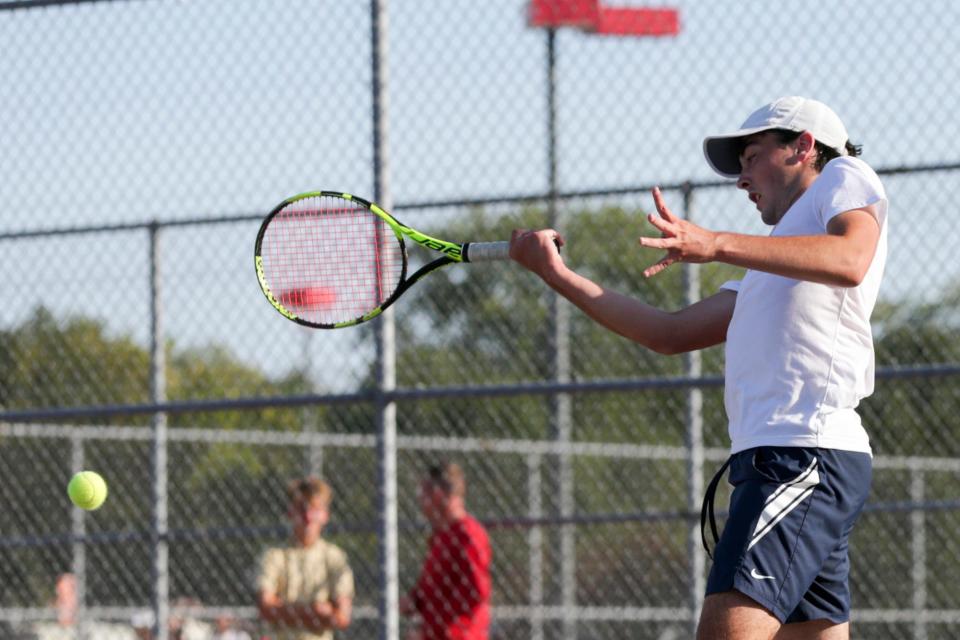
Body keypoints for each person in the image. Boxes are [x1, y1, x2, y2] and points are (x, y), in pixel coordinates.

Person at [509, 96, 888, 640]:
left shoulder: (844, 174)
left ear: (804, 148)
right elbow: (667, 333)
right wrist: (555, 274)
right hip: (791, 459)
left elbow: (851, 259)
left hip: (801, 455)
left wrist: (714, 244)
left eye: (752, 156)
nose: (741, 178)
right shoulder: (766, 272)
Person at [400, 462, 492, 640]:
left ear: (439, 494)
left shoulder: (467, 534)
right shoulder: (441, 536)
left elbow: (477, 591)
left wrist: (438, 623)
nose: (421, 501)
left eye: (424, 493)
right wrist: (416, 601)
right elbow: (436, 587)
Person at [256, 477, 355, 640]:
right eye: (302, 509)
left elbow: (342, 617)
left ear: (325, 515)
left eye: (315, 509)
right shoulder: (275, 555)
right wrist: (316, 611)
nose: (308, 517)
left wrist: (285, 610)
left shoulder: (334, 557)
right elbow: (265, 608)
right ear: (290, 512)